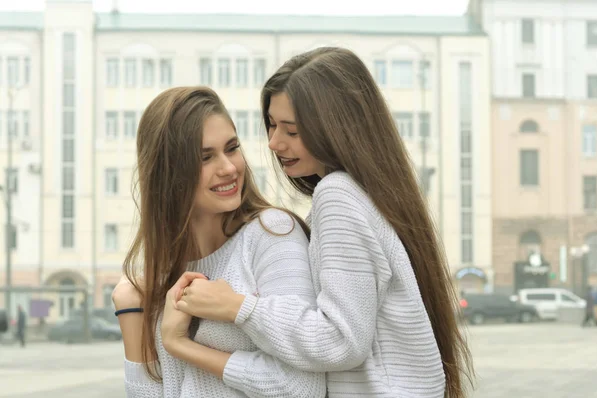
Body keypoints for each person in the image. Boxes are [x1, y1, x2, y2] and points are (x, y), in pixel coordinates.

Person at [173, 47, 474, 398]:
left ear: (336, 128)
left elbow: (340, 341)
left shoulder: (338, 196)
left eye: (292, 131)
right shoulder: (368, 194)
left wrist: (237, 306)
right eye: (271, 125)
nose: (274, 142)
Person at [111, 86, 326, 397]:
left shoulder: (272, 234)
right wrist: (133, 314)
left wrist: (181, 346)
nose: (228, 168)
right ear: (168, 173)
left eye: (232, 147)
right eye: (205, 157)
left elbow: (303, 387)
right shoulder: (162, 272)